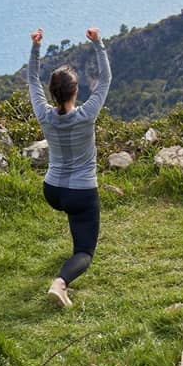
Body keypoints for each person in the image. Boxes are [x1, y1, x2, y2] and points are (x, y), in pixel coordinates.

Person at [28, 25, 111, 308]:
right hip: (81, 192)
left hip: (52, 191)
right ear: (76, 90)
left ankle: (72, 235)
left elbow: (31, 81)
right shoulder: (87, 115)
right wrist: (98, 43)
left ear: (52, 92)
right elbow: (106, 79)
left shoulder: (44, 115)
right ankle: (60, 283)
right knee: (85, 252)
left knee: (74, 212)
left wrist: (36, 47)